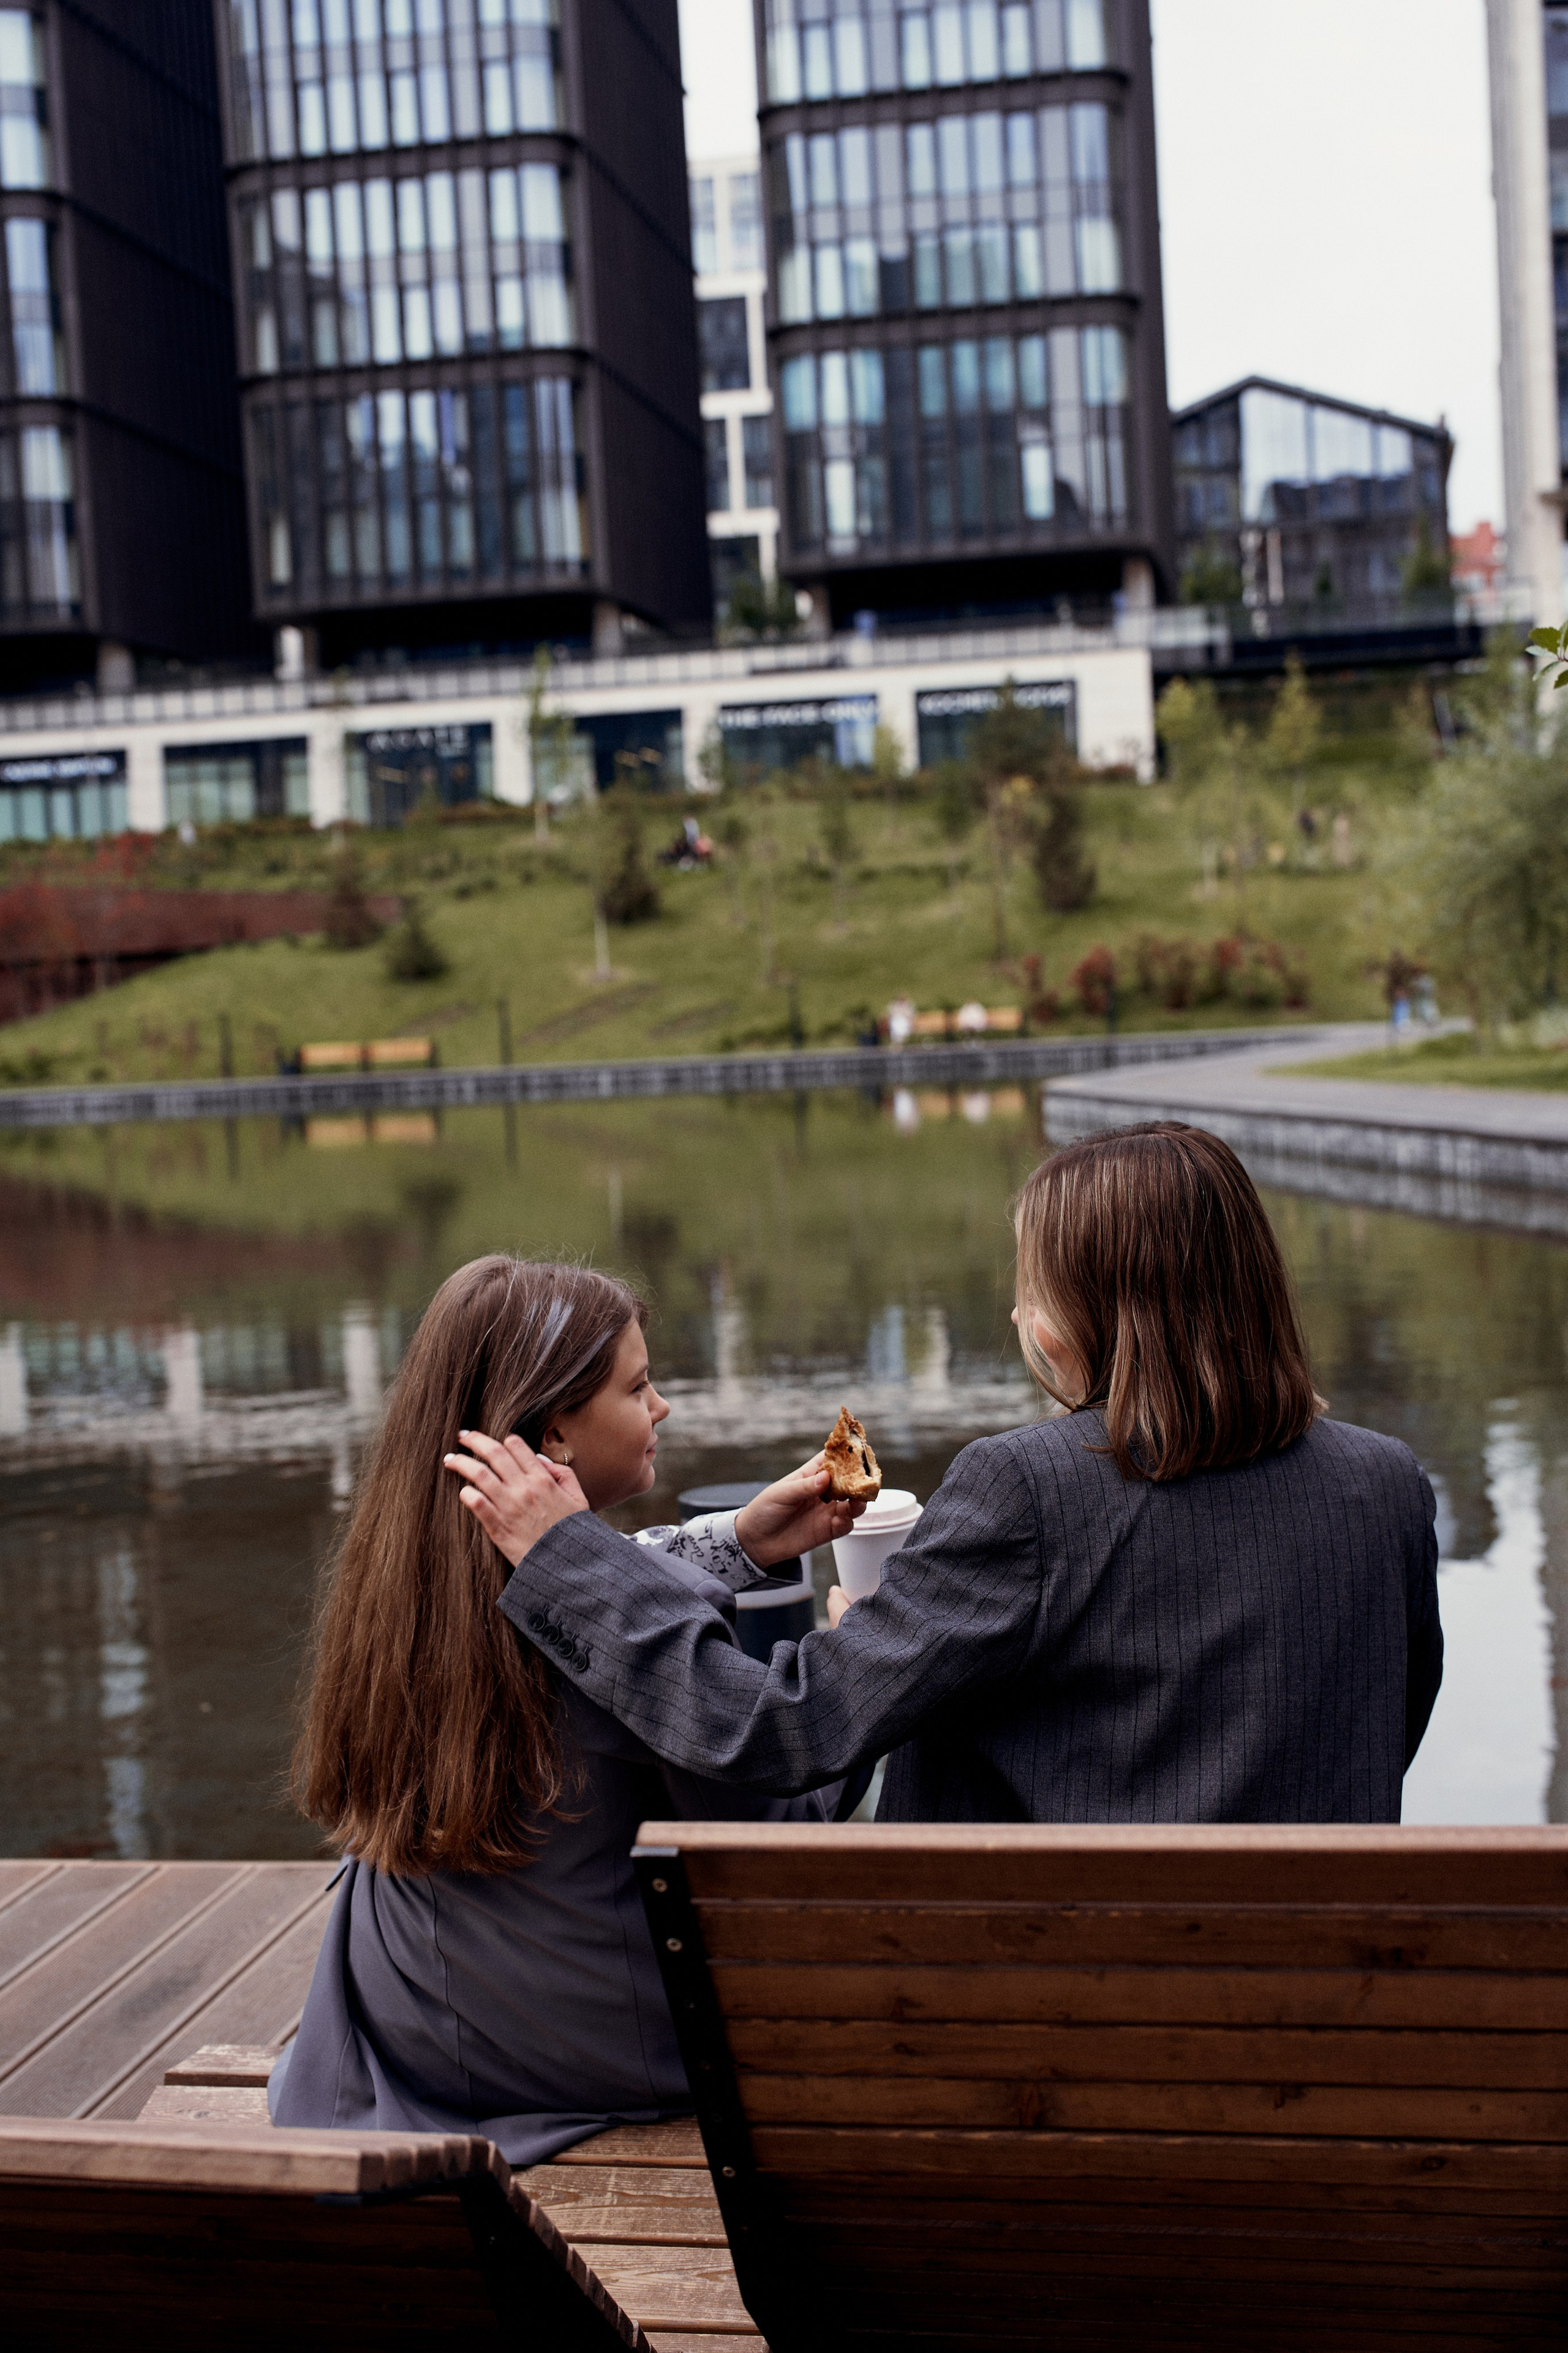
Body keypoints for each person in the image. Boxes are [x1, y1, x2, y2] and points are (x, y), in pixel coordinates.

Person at [450, 1124, 1444, 1824]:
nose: (1017, 1318)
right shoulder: (1388, 1484)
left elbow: (780, 1733)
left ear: (1073, 1322)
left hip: (1061, 2045)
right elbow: (1362, 1730)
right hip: (1322, 2022)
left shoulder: (1029, 1487)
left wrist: (571, 1557)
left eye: (1028, 1288)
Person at [271, 1256, 863, 2162]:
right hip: (588, 2053)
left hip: (414, 2024)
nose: (661, 1405)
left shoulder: (401, 1580)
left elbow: (591, 1578)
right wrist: (850, 1659)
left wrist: (735, 1540)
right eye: (639, 1385)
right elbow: (780, 1838)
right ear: (553, 1435)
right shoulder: (634, 1622)